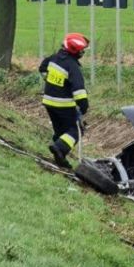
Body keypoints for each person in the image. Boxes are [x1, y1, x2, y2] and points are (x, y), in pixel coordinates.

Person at [39, 33, 90, 169]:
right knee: (75, 131)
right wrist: (84, 106)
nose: (83, 53)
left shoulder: (54, 58)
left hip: (49, 102)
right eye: (81, 51)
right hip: (64, 105)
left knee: (61, 131)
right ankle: (59, 149)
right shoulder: (72, 66)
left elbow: (42, 68)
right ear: (75, 51)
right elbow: (79, 90)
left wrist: (52, 83)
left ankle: (60, 158)